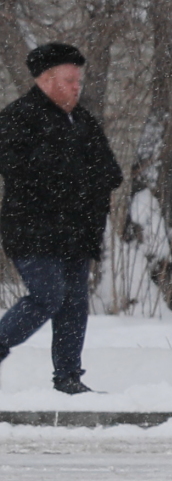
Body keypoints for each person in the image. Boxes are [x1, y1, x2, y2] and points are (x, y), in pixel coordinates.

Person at [0, 41, 124, 396]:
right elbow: (18, 169)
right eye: (70, 81)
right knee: (48, 295)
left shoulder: (82, 120)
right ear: (46, 79)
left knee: (73, 306)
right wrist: (71, 174)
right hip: (32, 229)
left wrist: (88, 186)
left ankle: (68, 378)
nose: (76, 88)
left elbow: (110, 172)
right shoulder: (17, 118)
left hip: (77, 231)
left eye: (78, 82)